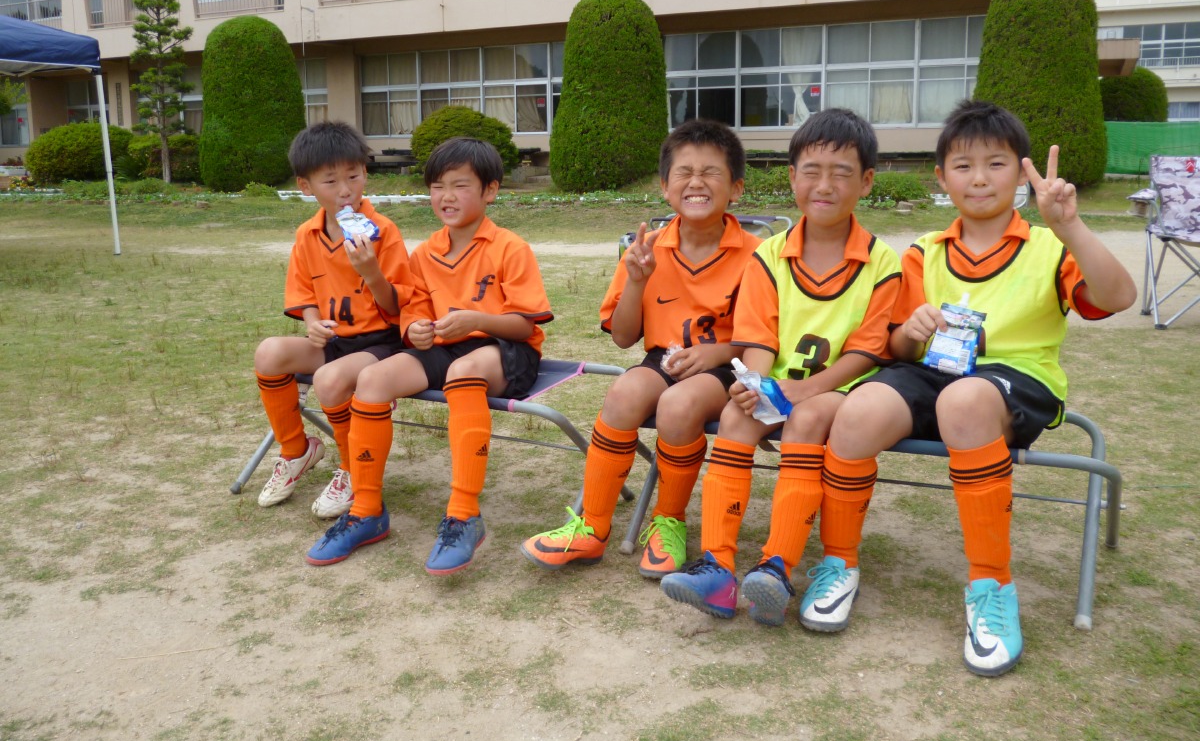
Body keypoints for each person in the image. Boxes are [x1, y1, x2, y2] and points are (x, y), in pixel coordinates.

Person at [805, 99, 1136, 676]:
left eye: (995, 164)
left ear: (1021, 173)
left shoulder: (1049, 246)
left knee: (964, 399)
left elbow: (1118, 298)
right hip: (932, 372)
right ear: (941, 177)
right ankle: (838, 562)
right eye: (963, 166)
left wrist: (1070, 226)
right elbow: (899, 349)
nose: (979, 178)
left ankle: (991, 585)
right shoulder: (924, 251)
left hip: (1014, 380)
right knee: (858, 410)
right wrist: (911, 330)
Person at [659, 108, 901, 623]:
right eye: (811, 171)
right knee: (737, 413)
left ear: (866, 182)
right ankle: (718, 567)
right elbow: (759, 336)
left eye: (841, 173)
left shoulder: (883, 261)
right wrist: (756, 384)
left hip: (844, 388)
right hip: (780, 382)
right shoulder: (769, 255)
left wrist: (804, 391)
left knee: (808, 418)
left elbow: (865, 351)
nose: (824, 185)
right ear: (792, 177)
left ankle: (777, 566)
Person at [520, 119, 762, 577]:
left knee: (677, 404)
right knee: (623, 392)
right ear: (665, 187)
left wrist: (715, 353)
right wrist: (636, 281)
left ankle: (668, 521)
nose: (696, 182)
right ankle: (591, 527)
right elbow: (623, 337)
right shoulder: (647, 249)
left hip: (728, 364)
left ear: (736, 188)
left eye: (711, 172)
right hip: (664, 356)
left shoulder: (757, 255)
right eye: (684, 172)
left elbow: (763, 338)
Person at [305, 137, 552, 573]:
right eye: (438, 186)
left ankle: (464, 514)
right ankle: (366, 510)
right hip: (444, 345)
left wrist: (476, 320)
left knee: (463, 371)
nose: (446, 196)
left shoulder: (509, 247)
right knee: (373, 380)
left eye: (460, 185)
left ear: (490, 191)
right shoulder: (425, 253)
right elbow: (413, 311)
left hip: (503, 350)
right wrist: (415, 330)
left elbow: (525, 325)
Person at [254, 121, 415, 519]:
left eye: (354, 176)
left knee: (328, 379)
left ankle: (352, 466)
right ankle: (296, 450)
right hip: (333, 340)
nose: (345, 190)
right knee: (269, 353)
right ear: (305, 186)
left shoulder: (383, 232)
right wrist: (311, 321)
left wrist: (371, 272)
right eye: (330, 181)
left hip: (381, 342)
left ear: (365, 174)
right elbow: (305, 295)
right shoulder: (307, 235)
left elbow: (398, 307)